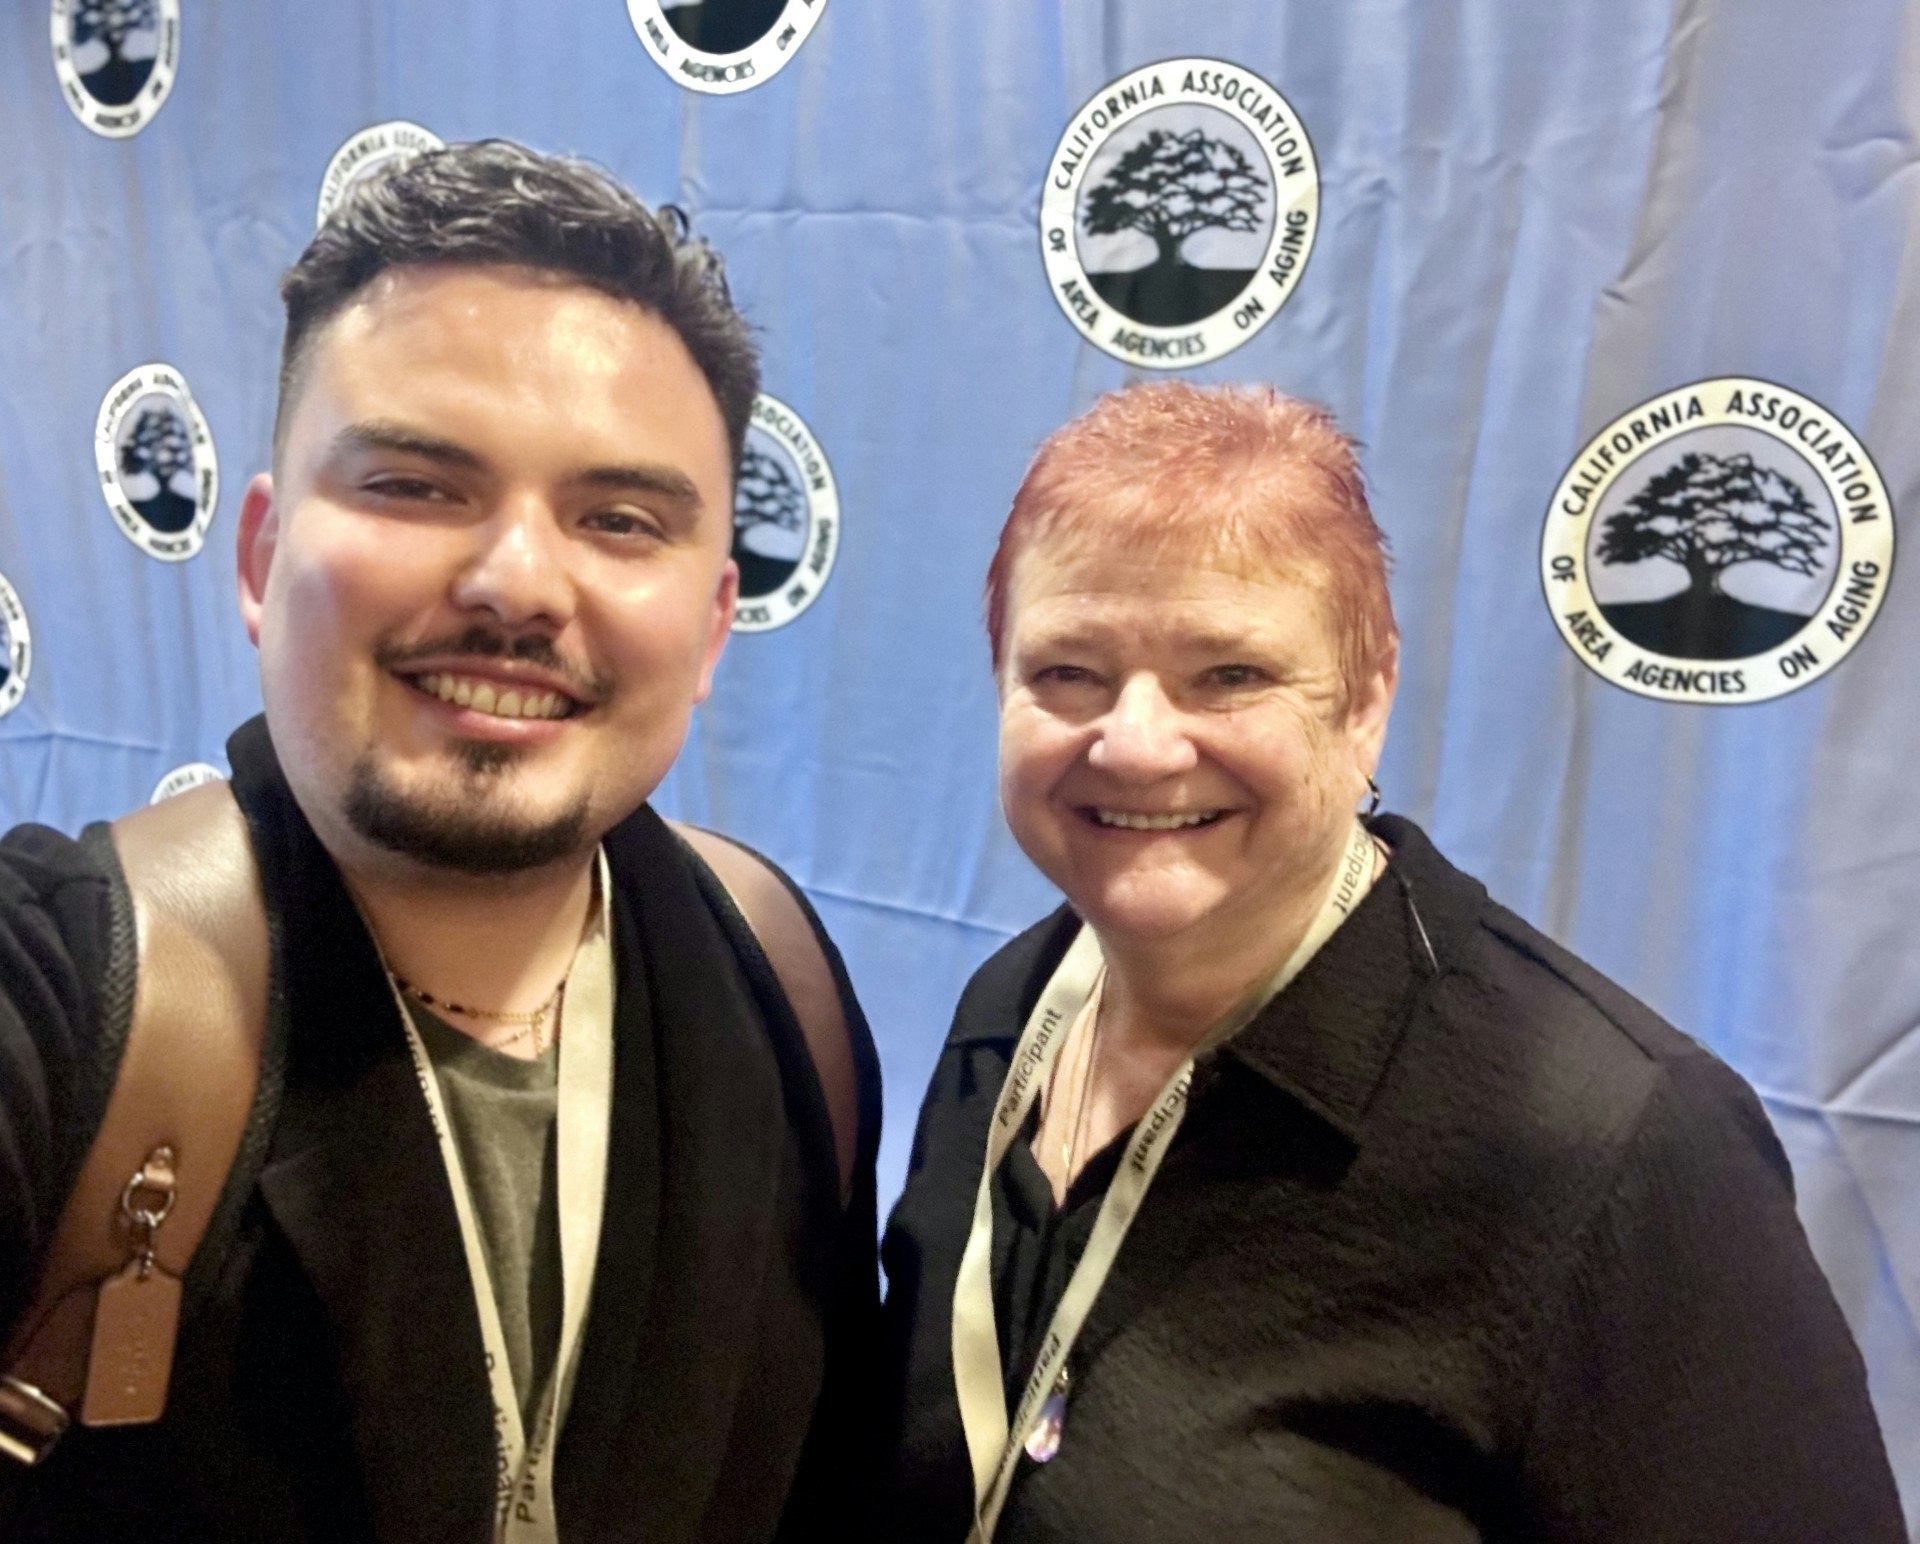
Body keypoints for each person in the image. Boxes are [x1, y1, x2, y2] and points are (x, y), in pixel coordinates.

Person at [0, 141, 881, 1542]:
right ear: (257, 561)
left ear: (714, 624)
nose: (520, 582)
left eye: (619, 518)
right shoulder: (64, 997)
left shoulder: (783, 994)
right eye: (415, 486)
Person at [879, 382, 1903, 1542]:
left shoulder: (1620, 1151)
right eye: (1069, 671)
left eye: (1231, 674)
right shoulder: (1008, 1013)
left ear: (1366, 699)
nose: (1138, 741)